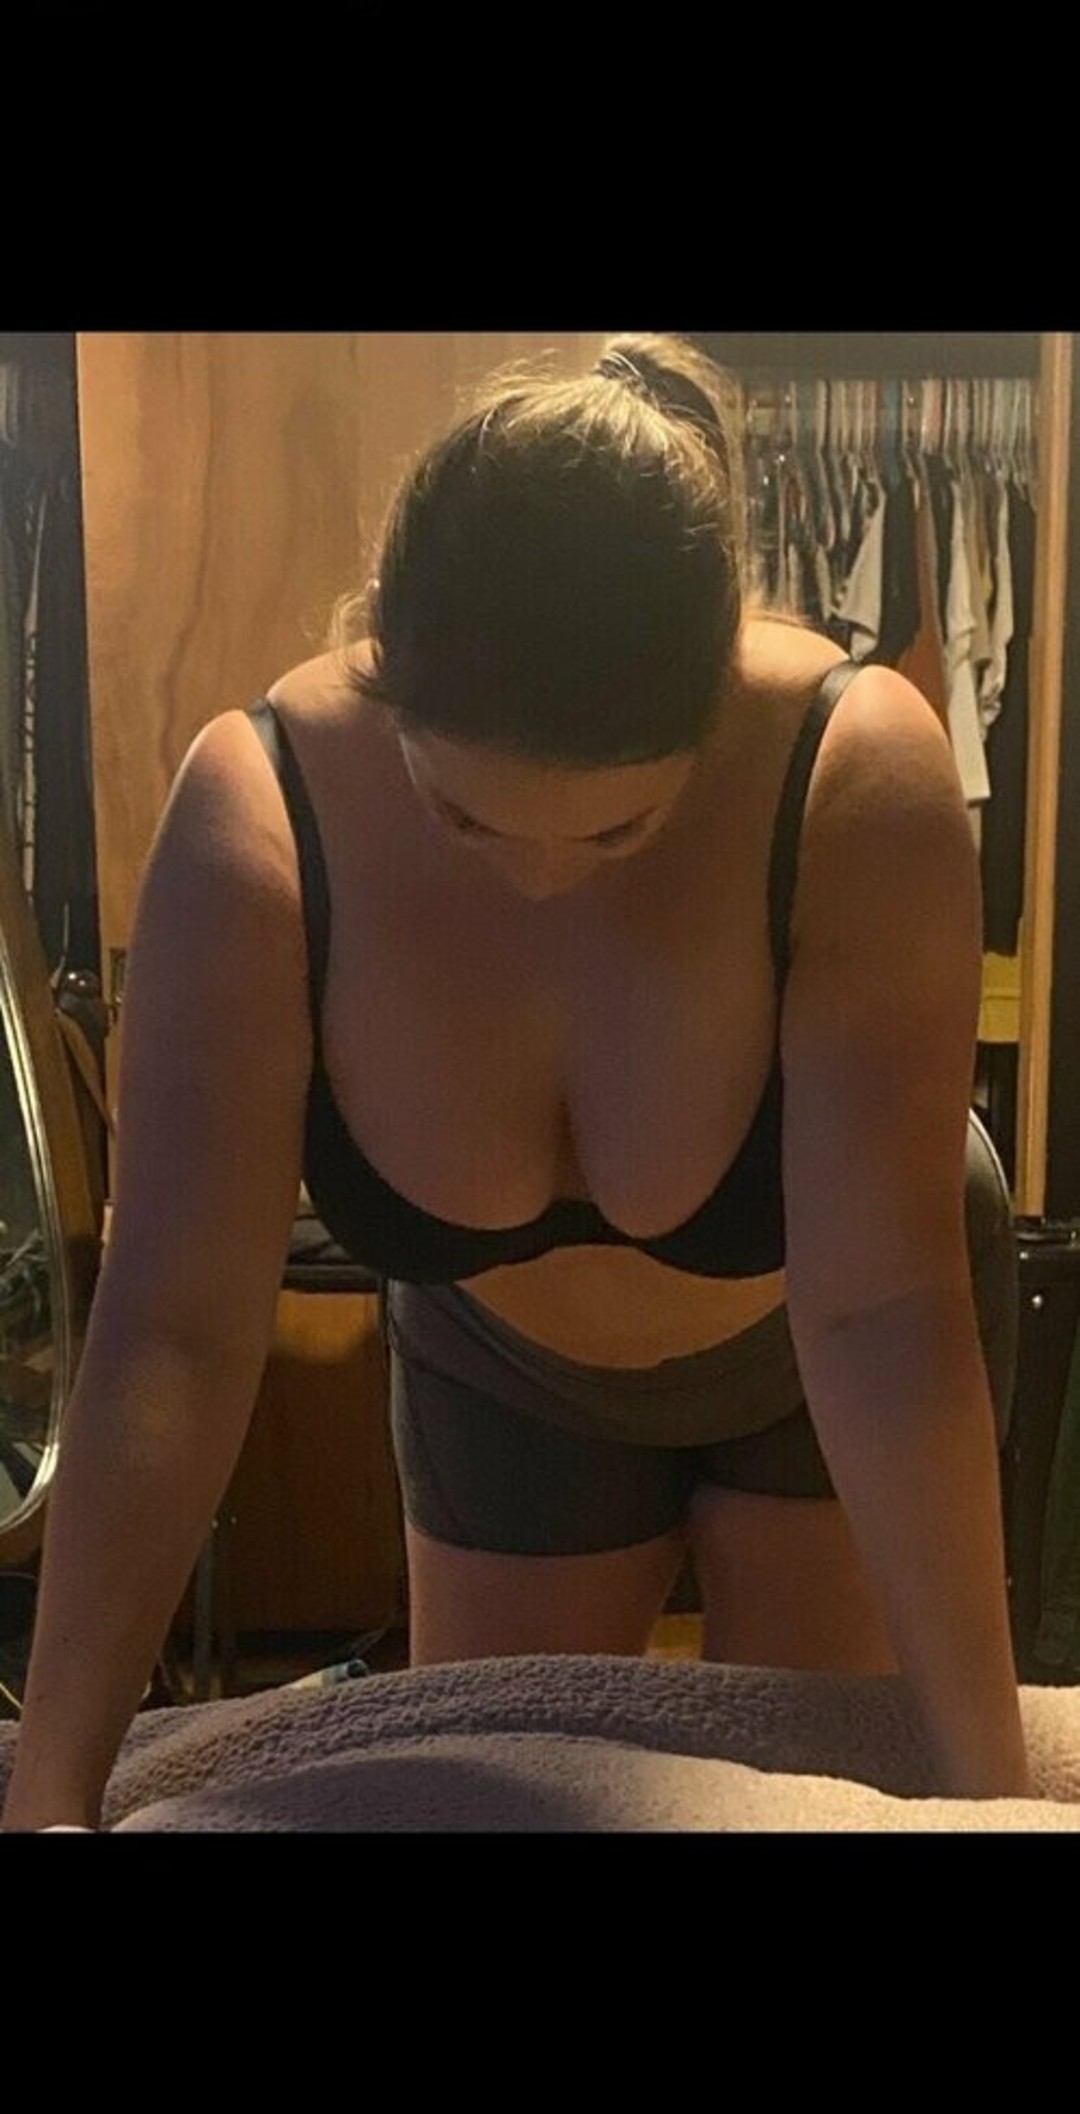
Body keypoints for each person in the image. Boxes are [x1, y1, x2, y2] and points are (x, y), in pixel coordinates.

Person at [2, 333, 1031, 1828]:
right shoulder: (262, 812)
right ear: (384, 676)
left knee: (811, 1795)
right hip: (507, 1374)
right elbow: (172, 1331)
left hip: (838, 1349)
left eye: (618, 834)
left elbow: (883, 1311)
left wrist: (992, 1801)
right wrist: (47, 1798)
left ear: (716, 709)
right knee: (500, 1796)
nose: (543, 880)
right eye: (465, 820)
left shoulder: (852, 769)